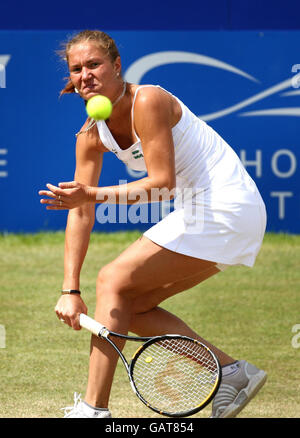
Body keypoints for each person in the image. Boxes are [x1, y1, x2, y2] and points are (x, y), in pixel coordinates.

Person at [39, 30, 267, 418]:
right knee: (133, 306)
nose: (85, 75)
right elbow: (80, 212)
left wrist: (89, 195)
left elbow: (162, 185)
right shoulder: (91, 135)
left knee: (112, 280)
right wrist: (69, 289)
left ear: (116, 66)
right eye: (77, 69)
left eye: (94, 64)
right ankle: (231, 372)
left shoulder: (149, 99)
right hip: (209, 213)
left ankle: (93, 410)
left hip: (227, 206)